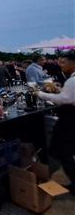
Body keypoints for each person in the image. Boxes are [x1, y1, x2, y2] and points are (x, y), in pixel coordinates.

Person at [35, 50, 75, 195]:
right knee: (65, 152)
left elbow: (64, 100)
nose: (61, 65)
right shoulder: (71, 80)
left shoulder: (72, 80)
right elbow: (68, 95)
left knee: (60, 151)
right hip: (69, 119)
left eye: (64, 62)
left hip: (69, 121)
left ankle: (44, 177)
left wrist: (40, 94)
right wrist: (59, 90)